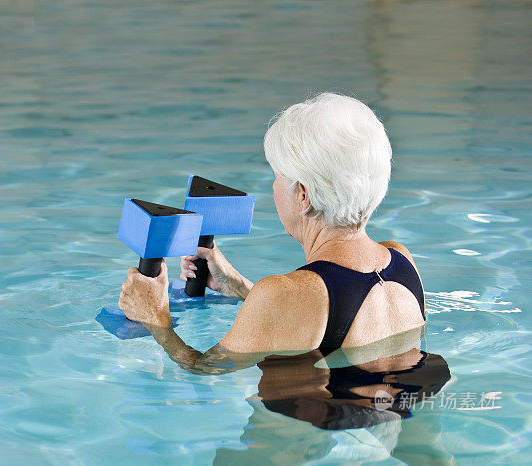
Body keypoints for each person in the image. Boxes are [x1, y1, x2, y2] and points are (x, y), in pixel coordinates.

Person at [118, 92, 426, 372]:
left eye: (277, 177)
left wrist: (156, 320)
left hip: (300, 428)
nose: (273, 188)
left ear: (302, 196)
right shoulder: (401, 260)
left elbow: (205, 369)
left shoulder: (284, 294)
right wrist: (239, 287)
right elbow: (330, 318)